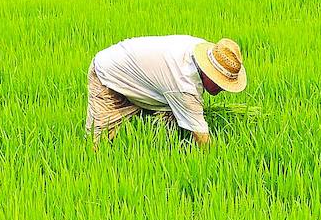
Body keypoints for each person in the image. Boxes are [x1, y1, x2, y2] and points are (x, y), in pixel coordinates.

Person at [86, 36, 247, 146]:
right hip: (108, 74)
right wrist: (213, 162)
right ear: (208, 73)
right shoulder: (184, 85)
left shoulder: (205, 51)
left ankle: (165, 147)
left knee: (171, 130)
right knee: (98, 145)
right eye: (220, 83)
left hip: (145, 76)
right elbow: (201, 136)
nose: (222, 89)